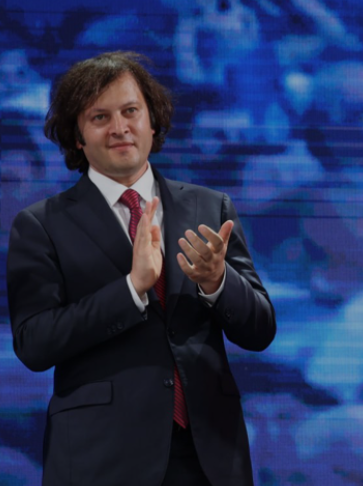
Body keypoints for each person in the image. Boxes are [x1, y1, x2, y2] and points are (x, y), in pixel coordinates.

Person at [5, 51, 276, 485]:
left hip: (209, 454)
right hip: (102, 456)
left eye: (131, 111)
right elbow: (34, 344)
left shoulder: (210, 207)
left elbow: (260, 330)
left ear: (153, 122)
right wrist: (131, 290)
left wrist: (217, 282)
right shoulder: (41, 224)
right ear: (77, 137)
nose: (120, 128)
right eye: (100, 117)